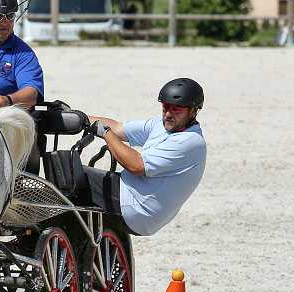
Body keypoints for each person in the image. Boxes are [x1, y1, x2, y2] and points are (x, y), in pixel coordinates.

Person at [85, 78, 207, 236]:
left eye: (176, 109)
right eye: (165, 107)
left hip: (138, 210)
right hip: (129, 196)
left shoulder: (190, 141)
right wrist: (76, 116)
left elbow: (136, 166)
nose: (168, 114)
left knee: (71, 172)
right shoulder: (162, 125)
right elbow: (118, 128)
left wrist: (105, 133)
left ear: (194, 110)